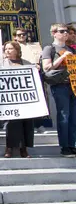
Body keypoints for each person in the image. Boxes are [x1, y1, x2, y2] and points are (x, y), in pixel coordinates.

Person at [41, 23, 76, 157]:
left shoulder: (71, 49)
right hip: (60, 85)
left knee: (73, 117)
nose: (65, 34)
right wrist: (62, 57)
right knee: (64, 116)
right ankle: (64, 146)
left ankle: (72, 144)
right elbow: (47, 68)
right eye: (62, 31)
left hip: (72, 84)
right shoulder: (49, 48)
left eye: (66, 31)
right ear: (54, 33)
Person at [0, 41, 35, 158]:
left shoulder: (26, 63)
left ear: (17, 50)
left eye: (10, 48)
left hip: (24, 99)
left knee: (26, 123)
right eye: (6, 49)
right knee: (11, 123)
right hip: (9, 99)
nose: (7, 51)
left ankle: (24, 149)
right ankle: (9, 148)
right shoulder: (1, 63)